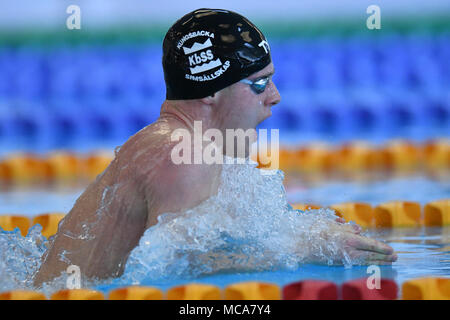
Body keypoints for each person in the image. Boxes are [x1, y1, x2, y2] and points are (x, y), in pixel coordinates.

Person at [33, 8, 396, 286]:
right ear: (209, 91)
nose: (275, 97)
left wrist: (298, 231)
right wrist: (308, 248)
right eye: (259, 84)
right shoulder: (185, 155)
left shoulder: (176, 144)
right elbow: (169, 267)